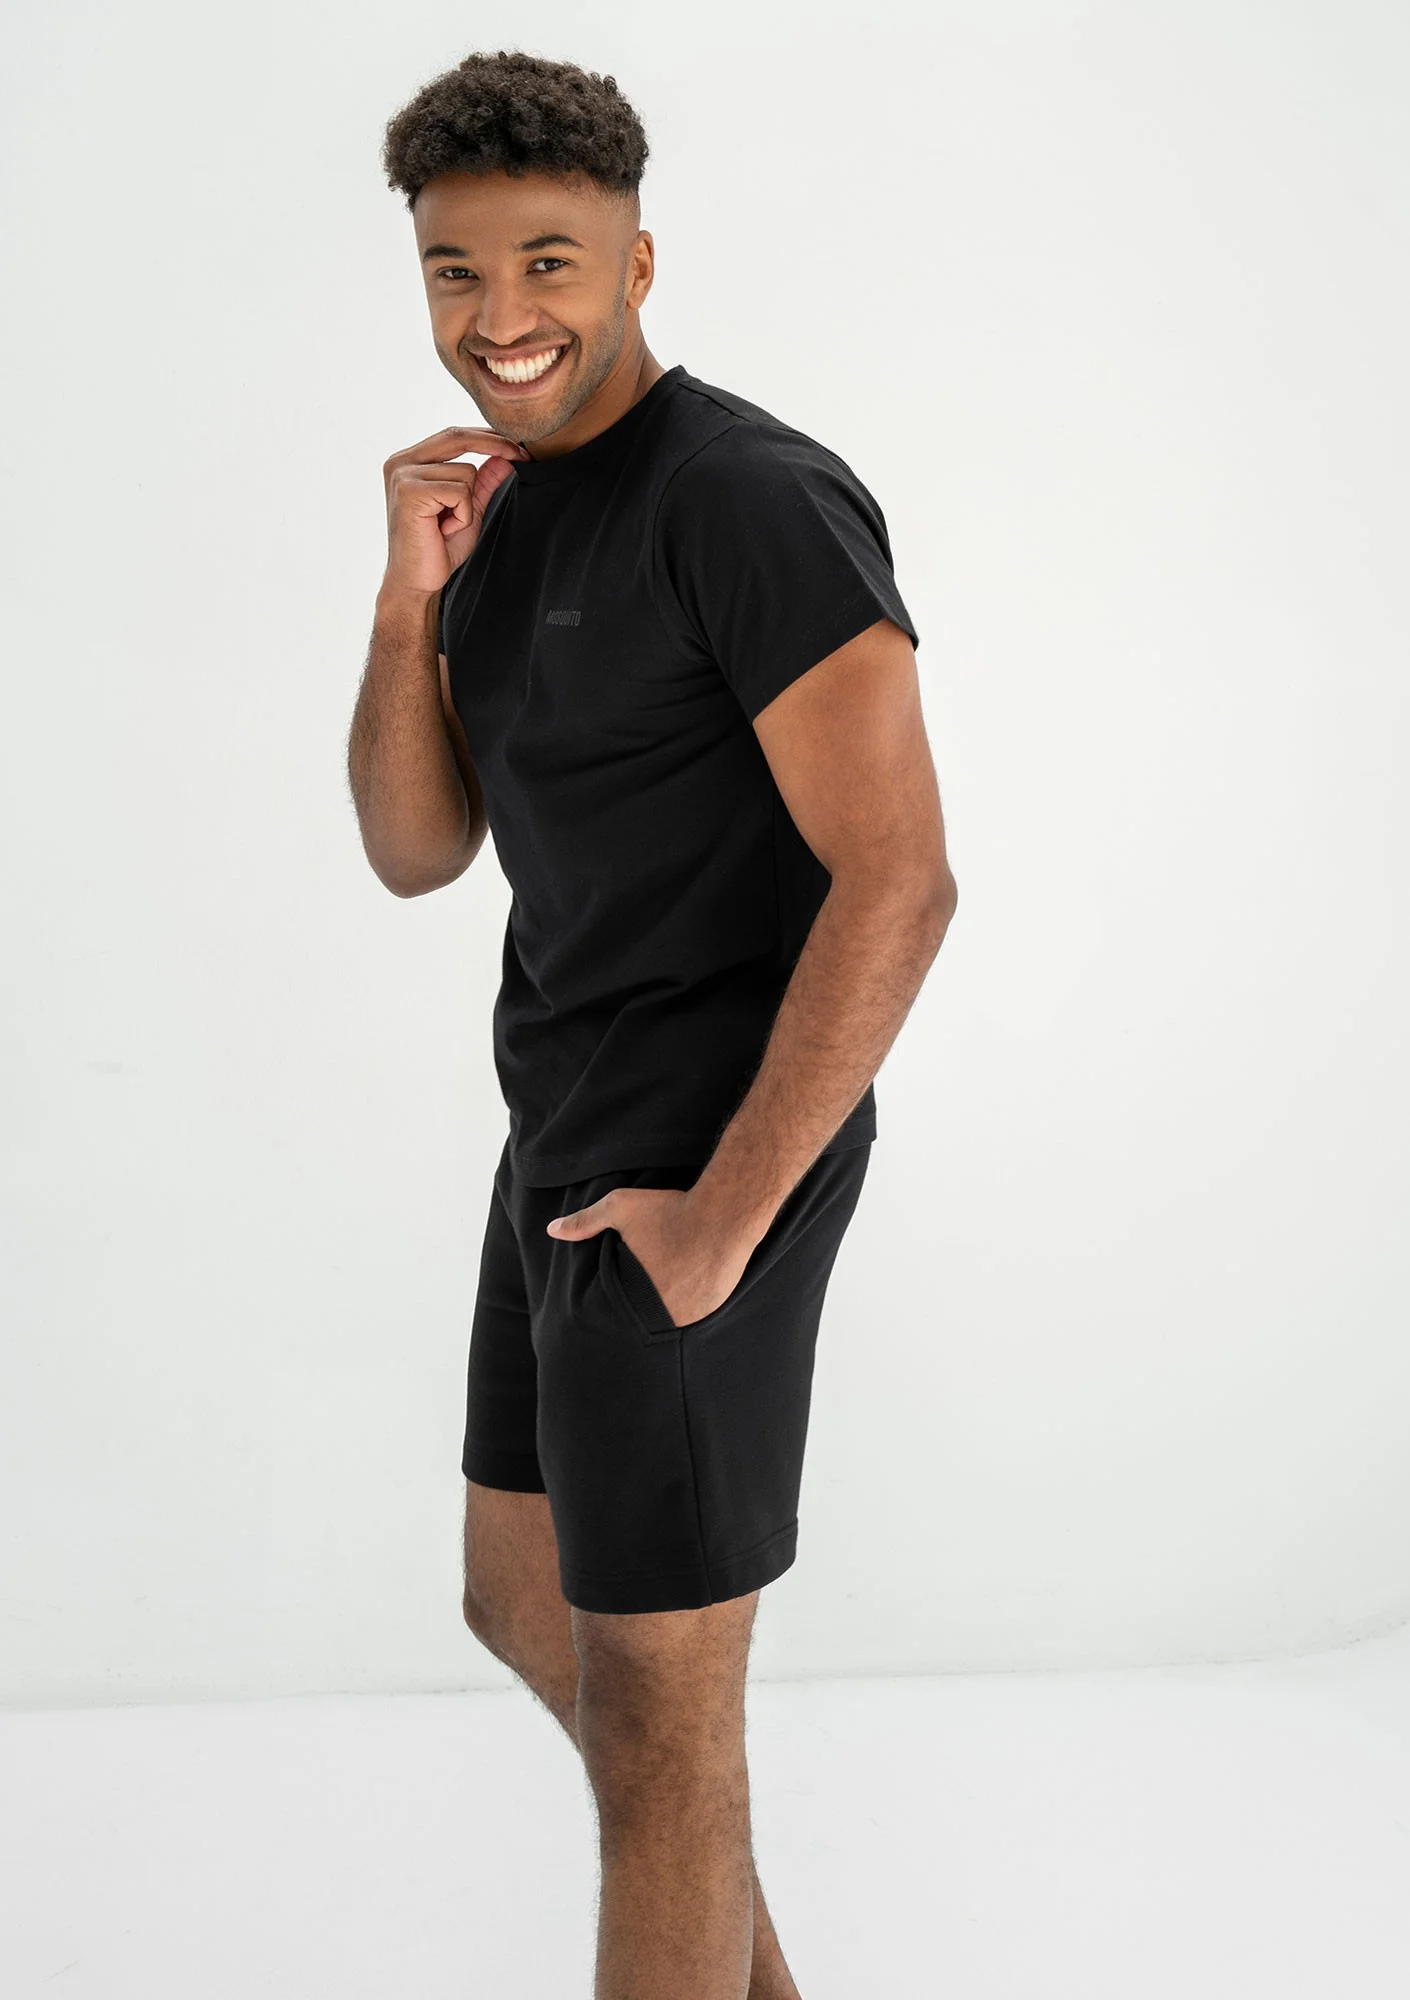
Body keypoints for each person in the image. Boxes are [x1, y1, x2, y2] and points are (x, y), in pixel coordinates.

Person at [348, 47, 957, 2000]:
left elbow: (901, 879)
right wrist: (405, 604)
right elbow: (416, 849)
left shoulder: (747, 499)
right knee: (523, 1596)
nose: (499, 314)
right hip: (561, 1129)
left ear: (636, 260)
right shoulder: (497, 515)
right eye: (456, 270)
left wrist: (722, 1219)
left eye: (548, 259)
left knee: (664, 1738)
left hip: (708, 1149)